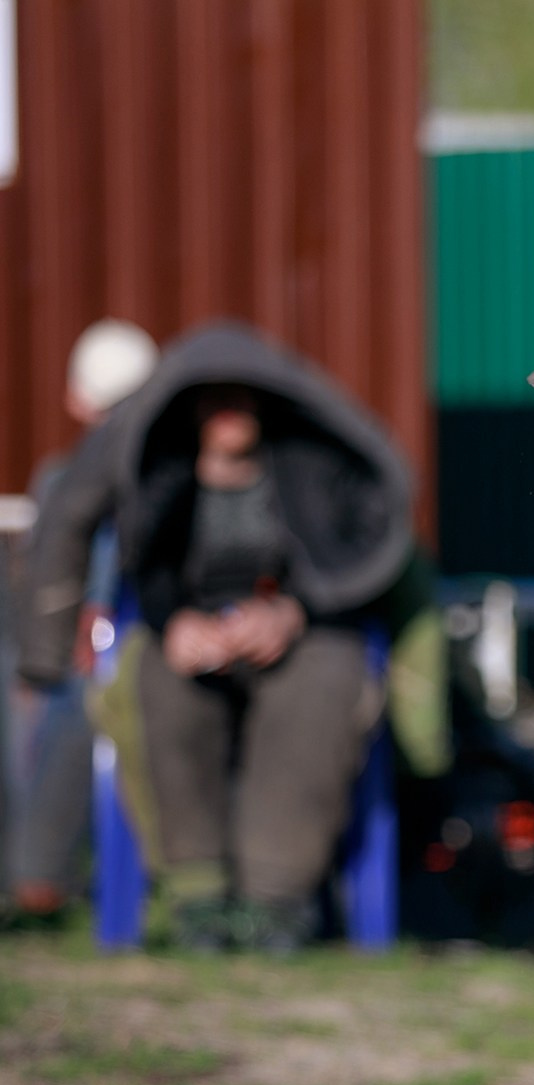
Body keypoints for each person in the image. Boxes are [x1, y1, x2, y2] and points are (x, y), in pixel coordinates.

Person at [57, 323, 411, 951]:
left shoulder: (308, 465)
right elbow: (145, 568)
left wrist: (294, 612)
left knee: (325, 681)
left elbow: (362, 553)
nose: (229, 413)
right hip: (196, 633)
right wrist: (176, 625)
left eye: (242, 398)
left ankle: (275, 898)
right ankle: (198, 895)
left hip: (299, 627)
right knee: (160, 684)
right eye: (213, 399)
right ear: (189, 408)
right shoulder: (162, 474)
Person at [11, 319, 159, 924]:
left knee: (71, 708)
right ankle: (36, 873)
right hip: (91, 642)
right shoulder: (71, 478)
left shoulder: (67, 477)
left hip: (107, 646)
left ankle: (37, 876)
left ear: (78, 397)